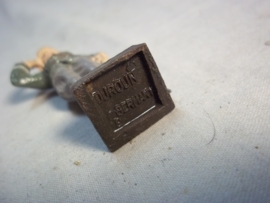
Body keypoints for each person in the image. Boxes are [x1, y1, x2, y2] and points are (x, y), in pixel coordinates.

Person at [10, 47, 108, 101]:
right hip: (79, 90)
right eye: (43, 56)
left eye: (48, 51)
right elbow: (19, 79)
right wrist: (29, 63)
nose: (47, 54)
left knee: (88, 65)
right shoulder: (48, 75)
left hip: (99, 77)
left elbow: (95, 57)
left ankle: (109, 83)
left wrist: (98, 56)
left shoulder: (74, 57)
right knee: (69, 78)